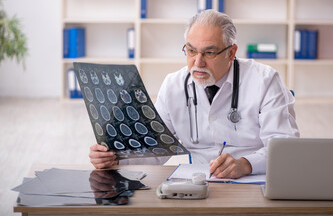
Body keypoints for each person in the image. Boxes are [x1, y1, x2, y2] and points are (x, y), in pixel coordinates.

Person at [89, 10, 300, 178]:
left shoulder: (265, 80)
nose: (197, 62)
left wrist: (245, 165)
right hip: (198, 185)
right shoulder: (173, 85)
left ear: (231, 52)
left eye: (209, 52)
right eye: (190, 51)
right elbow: (156, 149)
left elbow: (284, 149)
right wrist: (116, 159)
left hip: (254, 180)